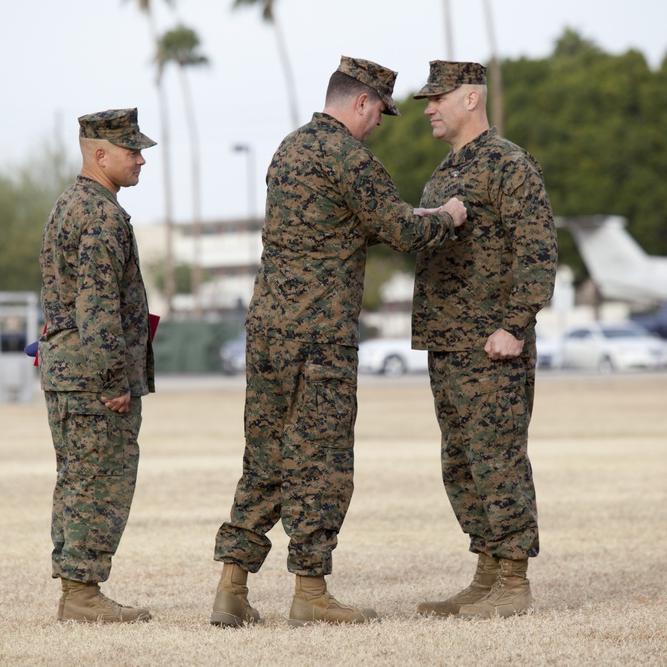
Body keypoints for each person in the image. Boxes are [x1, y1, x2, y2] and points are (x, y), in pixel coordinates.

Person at [210, 56, 468, 628]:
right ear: (361, 102)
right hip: (320, 336)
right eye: (380, 111)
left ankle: (232, 586)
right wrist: (449, 215)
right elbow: (400, 230)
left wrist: (400, 215)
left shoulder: (288, 150)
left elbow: (345, 222)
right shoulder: (351, 158)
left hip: (269, 331)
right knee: (321, 460)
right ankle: (310, 592)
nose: (380, 123)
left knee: (265, 455)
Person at [410, 61, 558, 619]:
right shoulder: (445, 171)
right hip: (449, 341)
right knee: (460, 461)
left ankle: (514, 582)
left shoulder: (508, 162)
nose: (428, 108)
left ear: (470, 98)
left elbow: (538, 249)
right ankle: (487, 571)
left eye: (437, 98)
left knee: (497, 458)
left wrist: (514, 324)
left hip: (492, 341)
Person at [39, 108, 157, 623]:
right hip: (93, 377)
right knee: (100, 479)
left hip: (68, 370)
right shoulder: (101, 214)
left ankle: (76, 590)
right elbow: (97, 303)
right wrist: (114, 380)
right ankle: (83, 596)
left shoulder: (70, 204)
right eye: (132, 151)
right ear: (99, 154)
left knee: (76, 477)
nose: (141, 160)